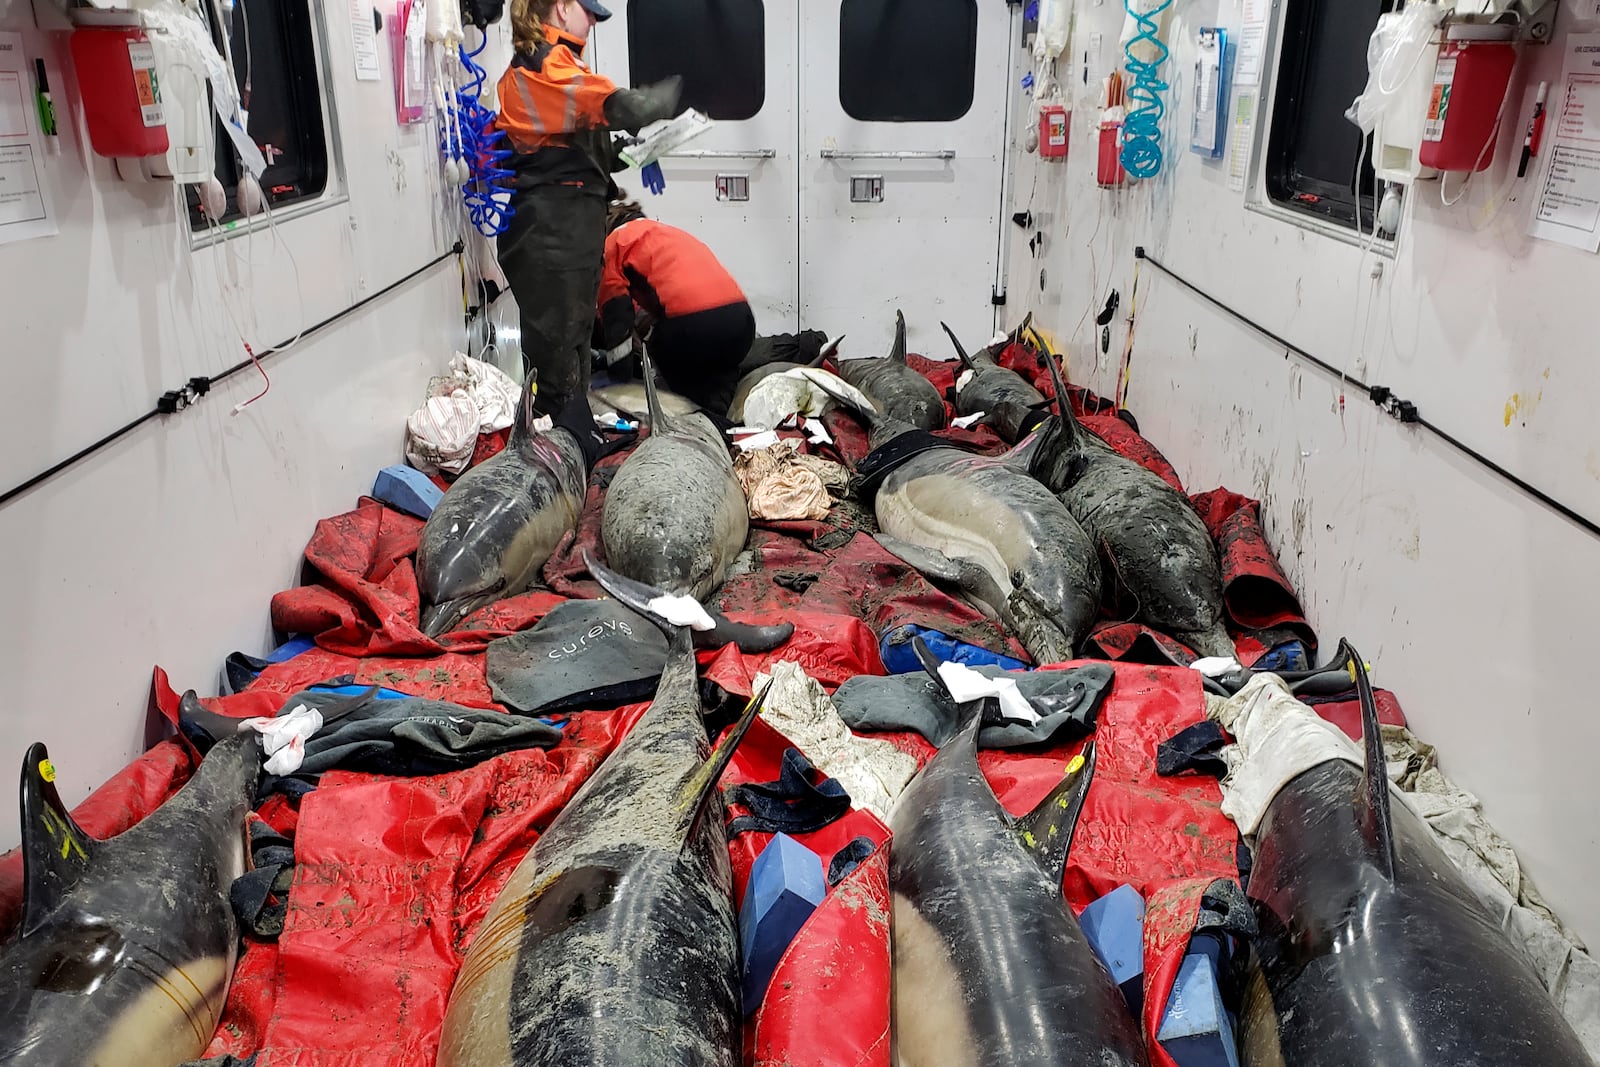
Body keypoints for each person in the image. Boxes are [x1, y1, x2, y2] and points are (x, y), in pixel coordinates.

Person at [493, 0, 683, 415]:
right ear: (561, 7)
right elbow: (620, 107)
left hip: (569, 231)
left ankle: (577, 441)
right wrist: (669, 96)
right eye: (589, 10)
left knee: (575, 346)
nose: (594, 20)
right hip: (549, 233)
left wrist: (637, 154)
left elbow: (577, 150)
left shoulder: (560, 65)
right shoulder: (541, 67)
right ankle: (560, 448)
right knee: (557, 361)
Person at [594, 198, 757, 414]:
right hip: (741, 323)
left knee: (676, 384)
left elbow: (617, 320)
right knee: (716, 385)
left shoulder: (613, 245)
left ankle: (687, 420)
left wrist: (619, 383)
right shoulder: (664, 233)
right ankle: (718, 422)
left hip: (693, 326)